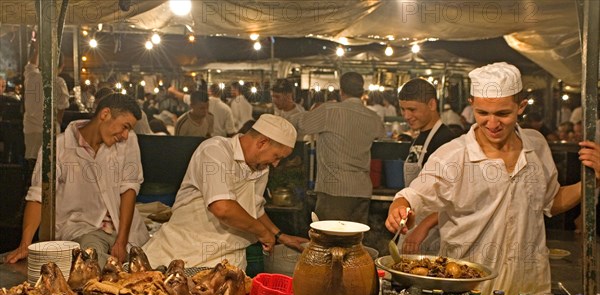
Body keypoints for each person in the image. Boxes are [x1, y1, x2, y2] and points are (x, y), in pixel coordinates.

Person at [385, 62, 600, 295]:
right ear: (472, 104)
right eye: (482, 113)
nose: (492, 123)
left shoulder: (536, 145)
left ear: (521, 107)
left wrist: (592, 179)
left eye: (502, 114)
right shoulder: (453, 156)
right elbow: (412, 195)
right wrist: (400, 207)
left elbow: (552, 201)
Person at [142, 114, 307, 269]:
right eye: (277, 156)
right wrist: (262, 232)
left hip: (228, 260)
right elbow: (223, 208)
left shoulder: (261, 167)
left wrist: (280, 235)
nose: (276, 163)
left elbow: (254, 209)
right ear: (262, 142)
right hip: (184, 253)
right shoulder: (215, 150)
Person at [5, 93, 150, 267]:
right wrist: (25, 244)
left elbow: (129, 188)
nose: (126, 135)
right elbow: (38, 196)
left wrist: (121, 240)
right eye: (125, 126)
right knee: (94, 263)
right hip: (83, 231)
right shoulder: (58, 148)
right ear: (105, 114)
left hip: (126, 231)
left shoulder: (128, 142)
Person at [291, 71, 385, 224]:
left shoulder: (330, 111)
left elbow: (299, 124)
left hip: (334, 190)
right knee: (354, 244)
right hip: (362, 191)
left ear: (341, 91)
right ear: (363, 91)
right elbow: (381, 134)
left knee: (328, 242)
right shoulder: (373, 117)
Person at [398, 78, 460, 254]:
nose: (406, 116)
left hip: (435, 233)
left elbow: (455, 200)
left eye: (412, 109)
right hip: (414, 225)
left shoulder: (446, 140)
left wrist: (423, 227)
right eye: (403, 109)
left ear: (432, 104)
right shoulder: (420, 137)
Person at [23, 38, 70, 163]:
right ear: (62, 65)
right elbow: (62, 106)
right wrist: (57, 123)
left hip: (30, 128)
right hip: (49, 130)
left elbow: (31, 66)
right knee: (47, 165)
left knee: (32, 161)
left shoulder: (31, 77)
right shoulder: (59, 82)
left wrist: (38, 50)